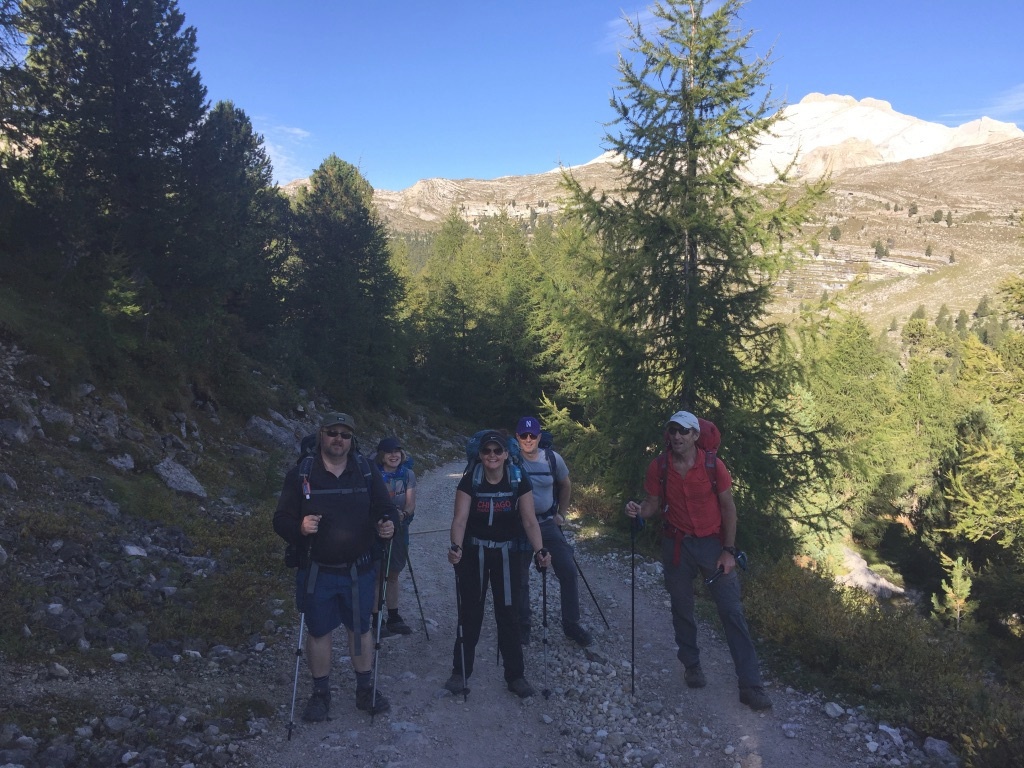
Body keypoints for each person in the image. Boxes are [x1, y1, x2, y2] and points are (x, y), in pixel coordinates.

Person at [624, 411, 772, 711]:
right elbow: (652, 504)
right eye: (673, 431)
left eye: (683, 431)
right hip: (677, 544)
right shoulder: (659, 466)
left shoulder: (714, 466)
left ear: (695, 435)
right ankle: (692, 666)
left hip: (713, 545)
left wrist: (728, 551)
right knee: (682, 608)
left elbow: (729, 509)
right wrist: (639, 511)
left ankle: (751, 685)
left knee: (731, 611)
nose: (677, 436)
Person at [273, 412, 398, 721]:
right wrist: (300, 527)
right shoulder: (302, 473)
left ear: (351, 439)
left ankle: (364, 689)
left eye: (345, 434)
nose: (338, 439)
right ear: (321, 434)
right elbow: (280, 519)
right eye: (332, 433)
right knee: (319, 632)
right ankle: (320, 694)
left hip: (359, 569)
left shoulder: (365, 470)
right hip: (317, 570)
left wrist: (388, 524)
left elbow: (385, 508)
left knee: (359, 630)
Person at [445, 430, 552, 698]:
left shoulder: (518, 479)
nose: (492, 455)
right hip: (475, 553)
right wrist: (456, 547)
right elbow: (459, 519)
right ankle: (460, 671)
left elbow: (529, 520)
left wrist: (540, 550)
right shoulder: (471, 480)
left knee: (509, 614)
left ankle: (515, 675)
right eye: (486, 451)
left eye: (497, 451)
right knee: (470, 613)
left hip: (507, 555)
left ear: (506, 454)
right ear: (480, 455)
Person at [514, 416, 593, 647]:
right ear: (517, 437)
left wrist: (562, 514)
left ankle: (571, 623)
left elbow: (566, 484)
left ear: (539, 437)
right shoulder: (512, 461)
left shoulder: (552, 459)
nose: (528, 439)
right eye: (524, 435)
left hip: (548, 523)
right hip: (519, 525)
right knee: (519, 576)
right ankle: (522, 625)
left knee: (567, 569)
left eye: (532, 435)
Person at [372, 436, 417, 636]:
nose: (394, 455)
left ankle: (393, 616)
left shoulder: (408, 474)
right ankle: (376, 618)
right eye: (389, 452)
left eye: (397, 451)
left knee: (394, 573)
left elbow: (410, 503)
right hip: (376, 529)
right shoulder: (372, 474)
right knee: (377, 574)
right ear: (381, 455)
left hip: (399, 528)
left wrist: (404, 514)